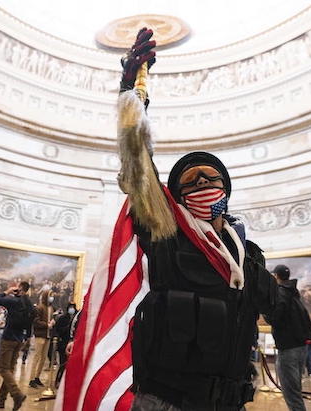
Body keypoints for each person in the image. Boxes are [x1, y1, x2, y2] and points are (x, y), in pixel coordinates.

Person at [114, 28, 279, 410]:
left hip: (229, 398)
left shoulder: (246, 252)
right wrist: (131, 93)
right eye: (191, 181)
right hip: (164, 397)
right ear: (178, 197)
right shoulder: (167, 232)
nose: (203, 182)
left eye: (211, 178)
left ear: (226, 189)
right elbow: (138, 163)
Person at [263, 265, 311, 411]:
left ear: (275, 276)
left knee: (291, 393)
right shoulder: (293, 292)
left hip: (288, 347)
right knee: (295, 389)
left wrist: (265, 311)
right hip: (300, 346)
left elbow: (274, 317)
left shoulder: (280, 293)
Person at [0, 282, 33, 410]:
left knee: (3, 369)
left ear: (19, 289)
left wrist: (7, 292)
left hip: (9, 337)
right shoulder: (29, 304)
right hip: (20, 339)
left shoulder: (14, 301)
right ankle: (0, 400)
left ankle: (17, 394)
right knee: (10, 370)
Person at [29, 288, 53, 388]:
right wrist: (47, 325)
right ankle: (31, 379)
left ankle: (37, 377)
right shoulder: (39, 308)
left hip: (48, 336)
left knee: (43, 358)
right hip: (40, 335)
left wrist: (52, 323)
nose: (52, 298)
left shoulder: (51, 309)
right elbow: (36, 322)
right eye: (50, 295)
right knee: (37, 357)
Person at [53, 302, 77, 387]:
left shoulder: (76, 318)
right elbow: (57, 330)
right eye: (70, 307)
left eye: (73, 307)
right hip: (63, 344)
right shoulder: (62, 318)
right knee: (63, 364)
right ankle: (58, 380)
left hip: (72, 344)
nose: (72, 309)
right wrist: (66, 328)